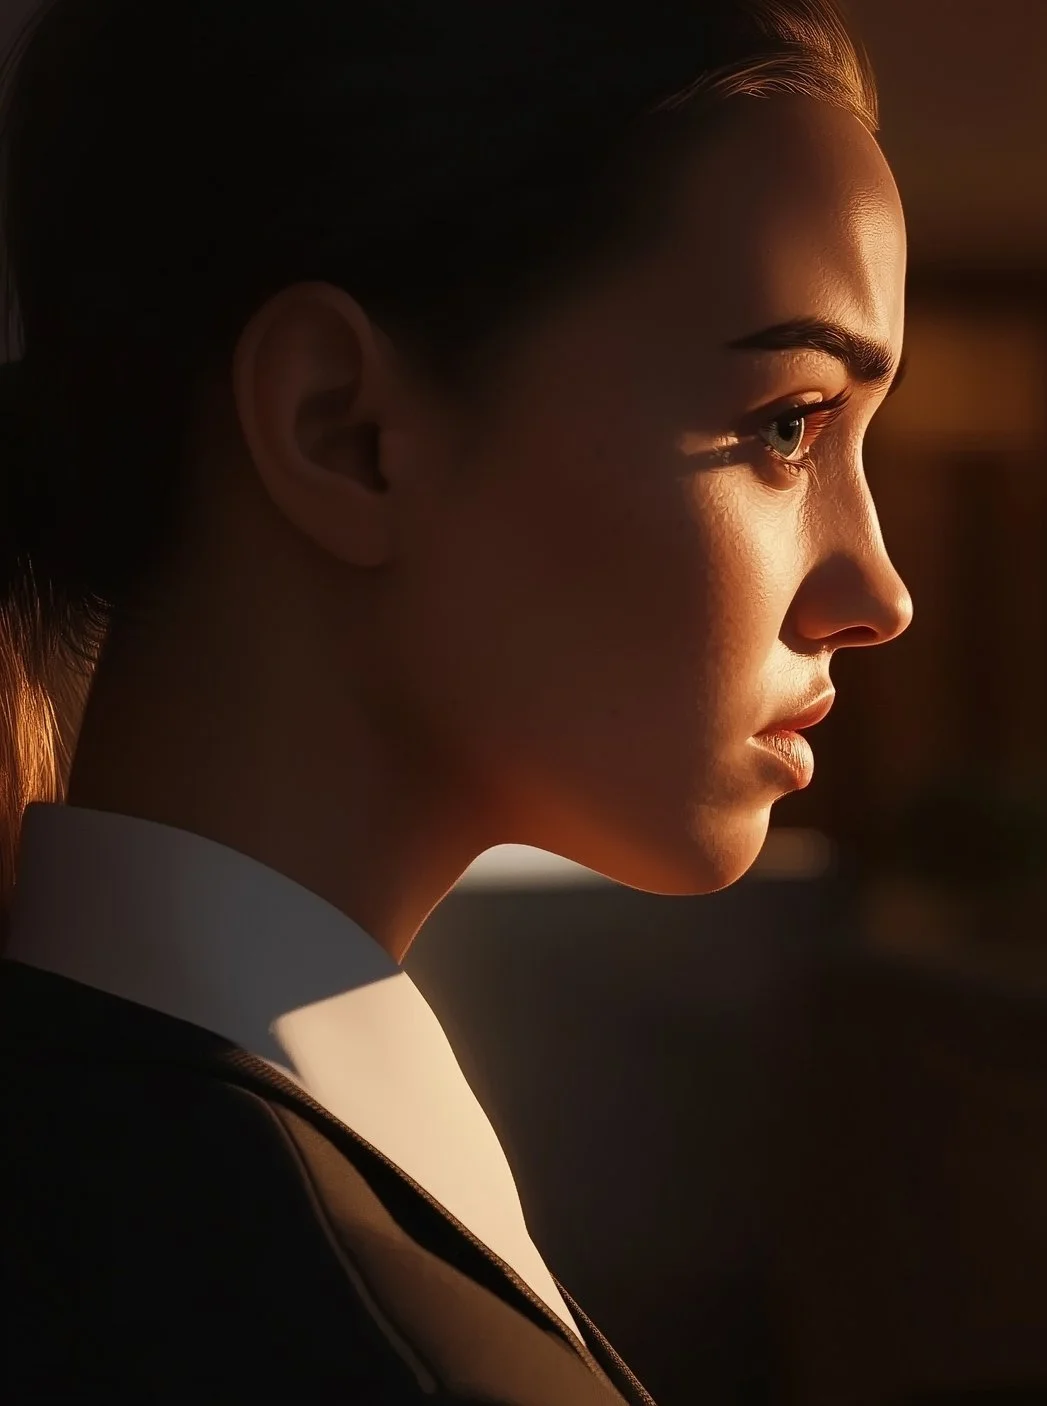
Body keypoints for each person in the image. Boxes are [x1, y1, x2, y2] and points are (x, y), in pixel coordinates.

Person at [0, 2, 912, 1400]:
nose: (879, 589)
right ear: (344, 430)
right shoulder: (328, 1324)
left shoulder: (123, 1172)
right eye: (787, 423)